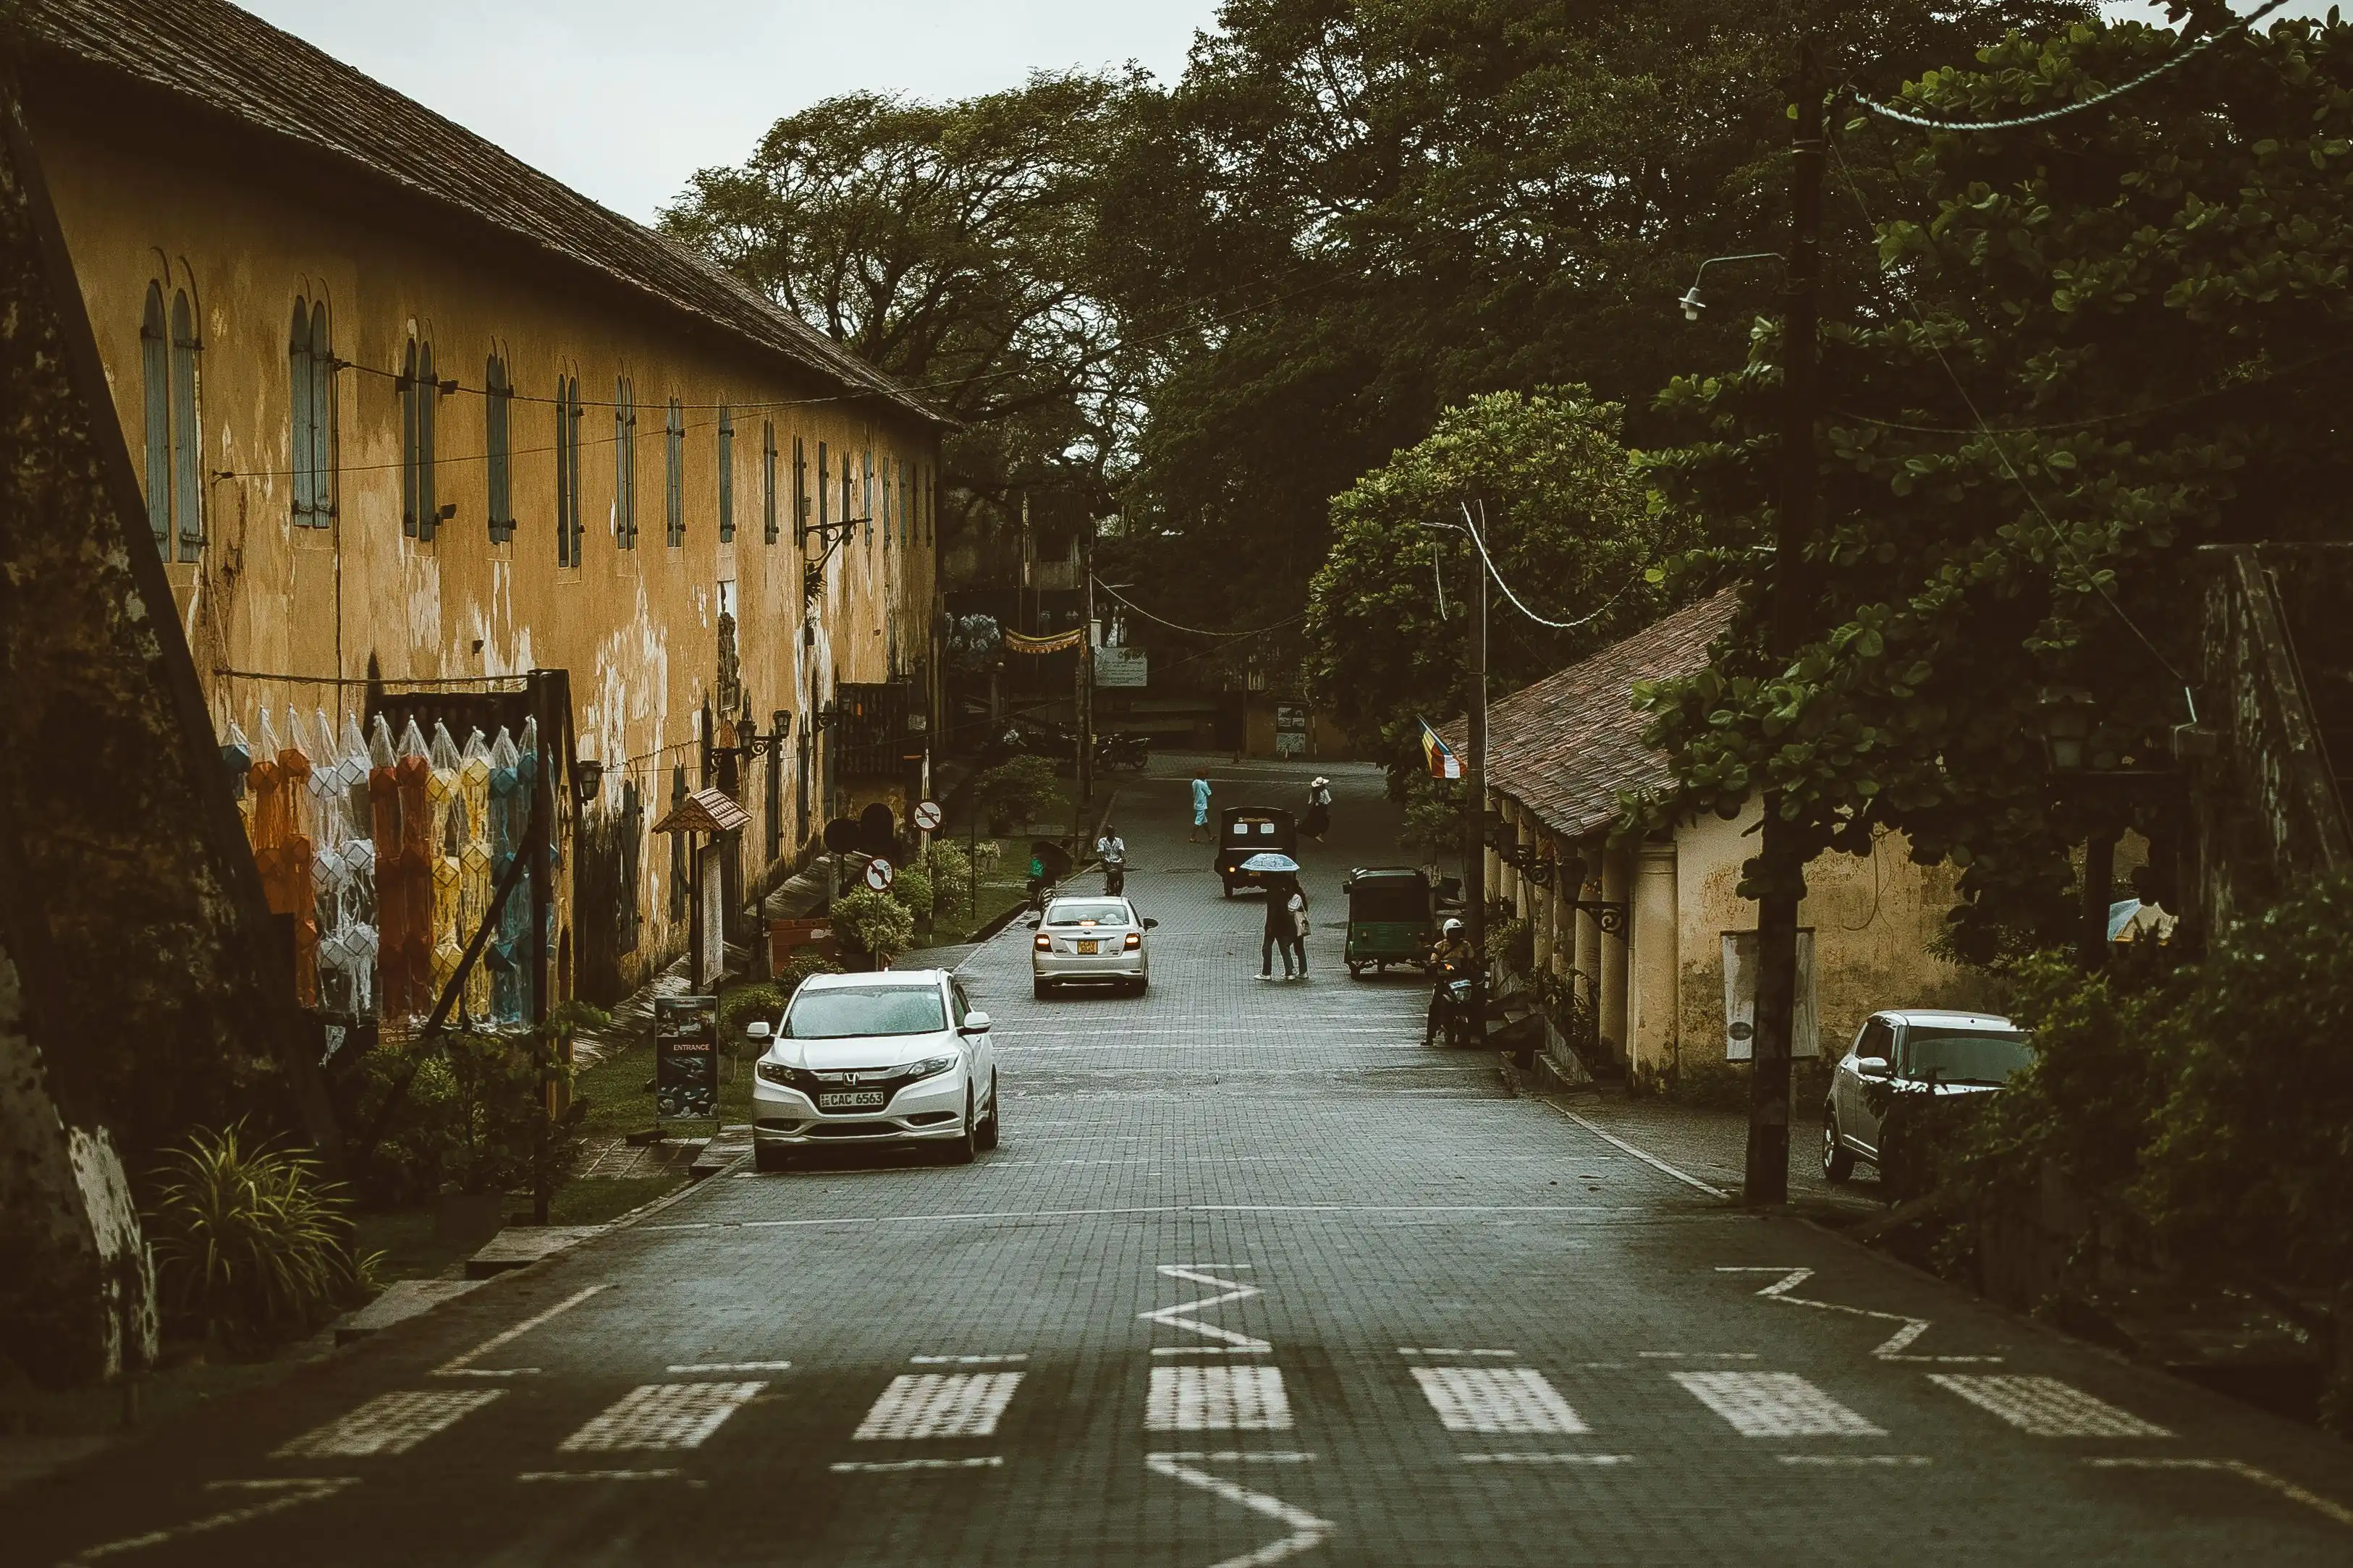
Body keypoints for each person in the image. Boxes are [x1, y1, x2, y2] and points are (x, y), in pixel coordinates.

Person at [1423, 918, 1476, 1045]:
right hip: (1444, 979)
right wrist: (1437, 964)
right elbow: (1434, 960)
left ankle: (1482, 1034)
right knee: (1434, 1005)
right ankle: (1429, 1036)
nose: (1455, 934)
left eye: (1458, 932)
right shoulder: (1439, 946)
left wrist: (1476, 964)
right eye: (1453, 932)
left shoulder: (1465, 945)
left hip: (1463, 979)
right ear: (1447, 932)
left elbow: (1472, 958)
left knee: (1477, 1000)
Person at [1259, 873, 1301, 980]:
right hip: (1285, 923)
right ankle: (1289, 972)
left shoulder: (1272, 894)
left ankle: (1266, 972)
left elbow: (1272, 912)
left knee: (1267, 948)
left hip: (1274, 925)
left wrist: (1269, 925)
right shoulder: (1284, 892)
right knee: (1284, 948)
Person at [1283, 878, 1311, 979]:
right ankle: (1302, 971)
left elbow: (1291, 909)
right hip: (1294, 927)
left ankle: (1294, 969)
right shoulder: (1295, 896)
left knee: (1286, 946)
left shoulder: (1297, 897)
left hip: (1295, 926)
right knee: (1298, 948)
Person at [1096, 823, 1127, 896]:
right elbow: (1101, 851)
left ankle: (1119, 890)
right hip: (1107, 861)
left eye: (1112, 832)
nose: (1111, 834)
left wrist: (1123, 858)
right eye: (1109, 832)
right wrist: (1102, 858)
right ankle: (1109, 886)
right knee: (1109, 872)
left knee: (1121, 876)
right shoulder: (1102, 841)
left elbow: (1121, 850)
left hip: (1117, 861)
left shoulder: (1119, 841)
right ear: (1107, 833)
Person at [1303, 776, 1333, 842]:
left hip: (1315, 807)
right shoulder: (1324, 791)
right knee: (1325, 822)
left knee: (1311, 819)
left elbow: (1310, 800)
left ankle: (1308, 831)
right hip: (1322, 807)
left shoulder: (1313, 791)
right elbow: (1328, 800)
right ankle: (1319, 835)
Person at [1189, 771, 1212, 842]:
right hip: (1202, 805)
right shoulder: (1202, 784)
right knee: (1198, 822)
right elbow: (1209, 793)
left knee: (1205, 822)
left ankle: (1210, 837)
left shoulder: (1195, 782)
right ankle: (1192, 837)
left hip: (1196, 804)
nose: (1206, 776)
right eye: (1205, 775)